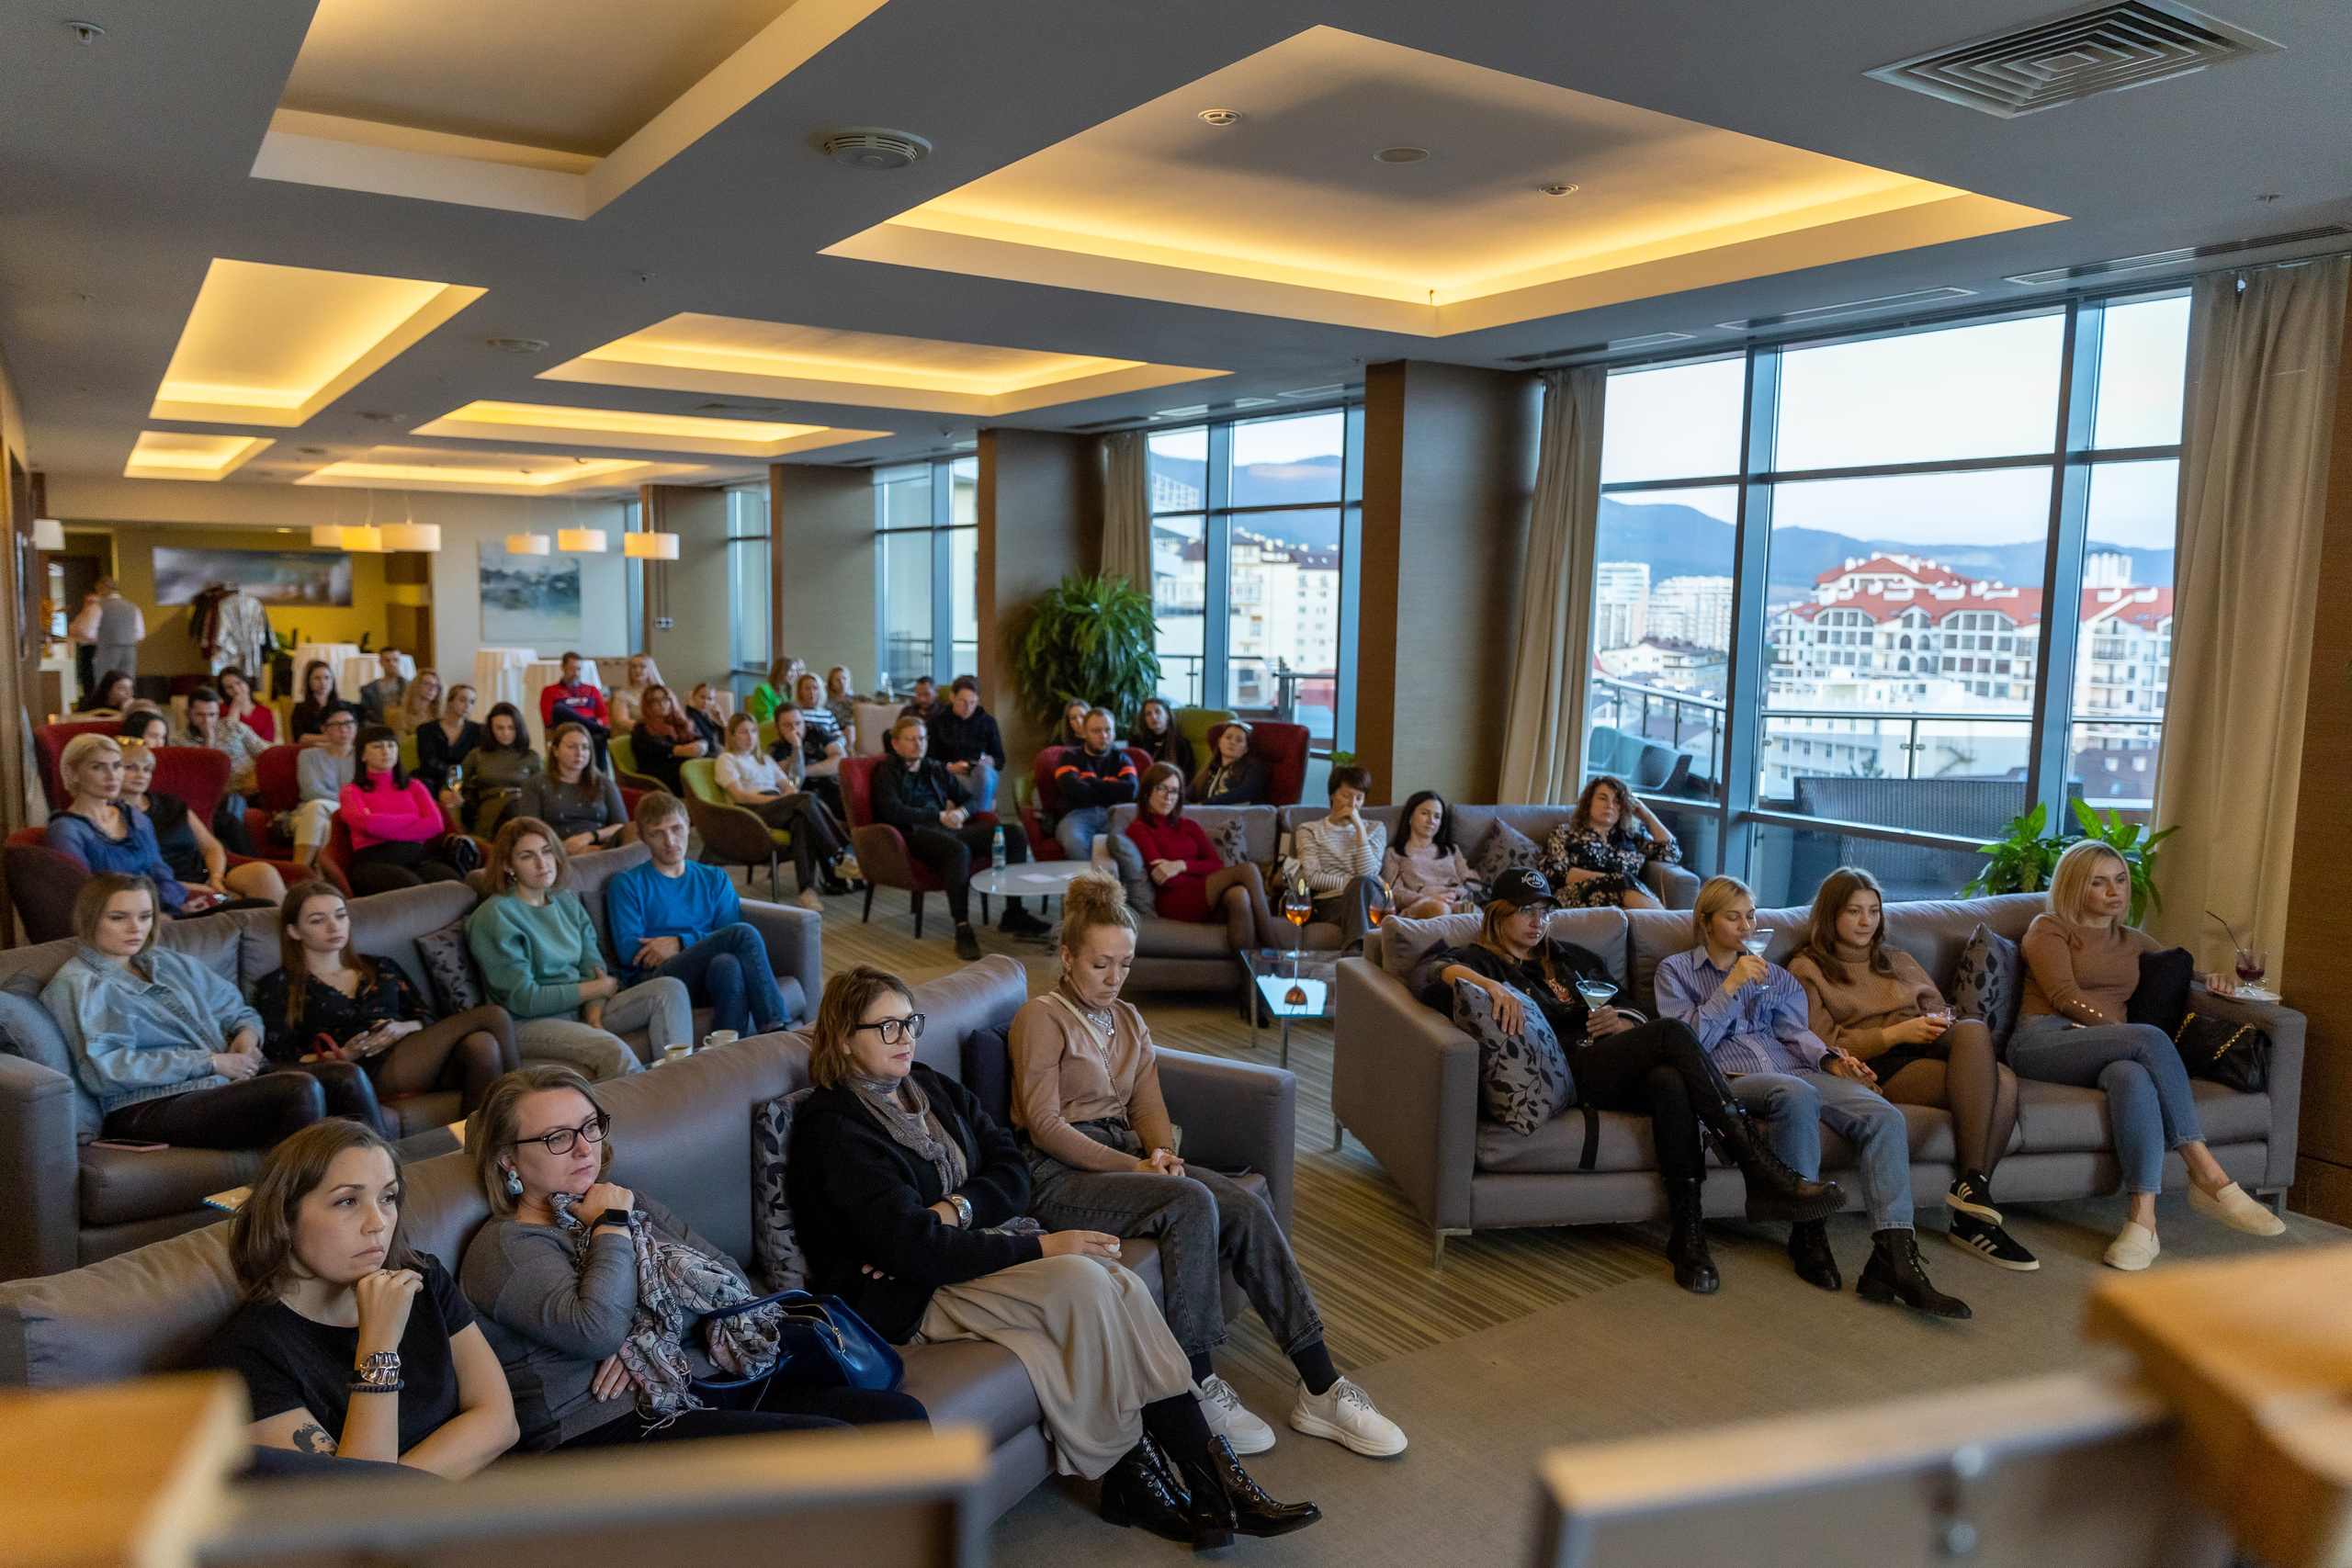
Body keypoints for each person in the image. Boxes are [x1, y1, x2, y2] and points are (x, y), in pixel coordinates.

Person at [789, 965, 1320, 1547]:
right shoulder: (833, 1129)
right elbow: (914, 1251)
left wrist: (954, 1209)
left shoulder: (929, 1088)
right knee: (1085, 1282)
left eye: (910, 1022)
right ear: (844, 1039)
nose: (906, 1039)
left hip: (959, 1259)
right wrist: (1036, 1243)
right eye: (886, 1028)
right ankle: (1180, 1481)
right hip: (905, 1297)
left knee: (1119, 1285)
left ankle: (1209, 1482)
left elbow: (1011, 1171)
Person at [1017, 874, 1407, 1457]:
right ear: (1068, 956)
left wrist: (1158, 1153)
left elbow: (1148, 1104)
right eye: (1101, 965)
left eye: (1124, 964)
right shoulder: (1040, 1019)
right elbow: (1045, 1125)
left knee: (1246, 1204)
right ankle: (1195, 1381)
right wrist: (1138, 1169)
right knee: (1190, 1201)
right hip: (1059, 1174)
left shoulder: (1128, 1019)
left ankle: (1322, 1386)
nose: (1114, 978)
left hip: (1126, 1160)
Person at [1419, 867, 1843, 1293]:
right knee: (1675, 1032)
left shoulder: (1573, 958)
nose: (1537, 921)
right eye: (1525, 911)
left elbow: (1636, 1012)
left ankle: (1687, 1234)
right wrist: (1491, 984)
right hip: (1568, 1072)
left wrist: (1621, 1021)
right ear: (1498, 915)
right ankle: (1755, 1164)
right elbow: (1429, 971)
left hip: (1611, 1063)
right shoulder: (1482, 960)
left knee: (1668, 1081)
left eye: (1545, 911)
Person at [461, 1065, 928, 1451]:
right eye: (557, 1138)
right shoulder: (508, 1247)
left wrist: (648, 1337)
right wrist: (611, 1227)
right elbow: (598, 1330)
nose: (586, 1148)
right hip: (601, 1430)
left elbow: (727, 1281)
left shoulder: (627, 1200)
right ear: (507, 1159)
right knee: (833, 1446)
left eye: (589, 1127)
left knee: (901, 1418)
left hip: (696, 1383)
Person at [1656, 875, 1970, 1317]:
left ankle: (1893, 1256)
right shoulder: (1675, 972)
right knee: (1796, 1092)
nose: (1747, 927)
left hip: (1796, 1070)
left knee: (1885, 1116)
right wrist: (1728, 988)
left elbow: (1794, 1033)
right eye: (1733, 917)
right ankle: (1808, 1231)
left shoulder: (1776, 976)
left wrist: (1831, 1060)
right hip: (1728, 1076)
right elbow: (1683, 1042)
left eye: (1751, 916)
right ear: (1706, 921)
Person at [2011, 840, 2283, 1269]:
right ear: (2073, 887)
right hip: (2044, 1041)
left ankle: (2143, 1221)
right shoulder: (2049, 927)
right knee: (2148, 1041)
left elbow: (2178, 970)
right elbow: (2063, 995)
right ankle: (2209, 1176)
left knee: (2132, 1077)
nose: (2114, 891)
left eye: (2120, 880)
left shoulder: (2132, 940)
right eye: (2098, 883)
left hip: (2106, 1050)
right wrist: (2128, 1034)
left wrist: (2214, 980)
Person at [212, 1120, 518, 1475]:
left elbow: (499, 1420)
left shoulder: (421, 1277)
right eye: (347, 1201)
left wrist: (394, 1488)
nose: (378, 1222)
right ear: (284, 1217)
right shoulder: (244, 1357)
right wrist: (379, 1346)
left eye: (387, 1198)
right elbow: (355, 1505)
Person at [1788, 867, 2037, 1271]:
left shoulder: (1898, 960)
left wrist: (1935, 1024)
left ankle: (1971, 1188)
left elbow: (1939, 1010)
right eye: (1854, 911)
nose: (1867, 921)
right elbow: (1822, 1043)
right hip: (1875, 1063)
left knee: (1971, 1030)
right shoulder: (1807, 968)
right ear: (1831, 914)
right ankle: (1972, 1210)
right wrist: (1898, 1032)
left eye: (1873, 910)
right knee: (2003, 1082)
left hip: (1928, 1046)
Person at [43, 873, 372, 1145]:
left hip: (217, 1085)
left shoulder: (168, 963)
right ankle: (299, 1208)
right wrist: (211, 1062)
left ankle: (390, 1188)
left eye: (145, 917)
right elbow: (109, 1070)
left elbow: (235, 1008)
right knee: (298, 1089)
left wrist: (247, 1035)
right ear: (90, 919)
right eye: (119, 918)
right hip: (145, 1106)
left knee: (346, 1076)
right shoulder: (79, 984)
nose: (136, 928)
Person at [253, 883, 520, 1118]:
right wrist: (344, 1054)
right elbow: (275, 1060)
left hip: (413, 1055)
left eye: (341, 916)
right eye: (317, 920)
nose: (334, 926)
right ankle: (523, 1111)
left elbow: (427, 1018)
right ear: (294, 931)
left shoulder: (381, 967)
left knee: (482, 1045)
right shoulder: (279, 985)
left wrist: (400, 1028)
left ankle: (478, 1142)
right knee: (494, 1015)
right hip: (358, 1074)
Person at [467, 818, 682, 1079]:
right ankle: (647, 1118)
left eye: (547, 851)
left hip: (579, 1009)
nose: (542, 863)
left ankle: (682, 1091)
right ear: (508, 865)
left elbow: (592, 964)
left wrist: (593, 1017)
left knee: (669, 989)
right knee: (613, 1049)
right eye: (527, 856)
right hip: (527, 1022)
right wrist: (598, 989)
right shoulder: (495, 916)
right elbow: (524, 998)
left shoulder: (564, 899)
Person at [605, 793, 795, 1040]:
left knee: (728, 964)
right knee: (744, 934)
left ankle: (724, 1053)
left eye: (676, 828)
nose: (670, 840)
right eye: (657, 833)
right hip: (657, 980)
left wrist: (678, 942)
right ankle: (777, 1032)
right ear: (643, 837)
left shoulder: (714, 878)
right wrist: (698, 942)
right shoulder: (627, 884)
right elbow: (632, 953)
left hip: (707, 977)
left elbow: (728, 934)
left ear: (688, 825)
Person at [873, 716, 1051, 961]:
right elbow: (892, 811)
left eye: (922, 738)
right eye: (911, 739)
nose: (919, 744)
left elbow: (969, 798)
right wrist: (938, 814)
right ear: (895, 744)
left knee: (1013, 834)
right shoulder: (885, 772)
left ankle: (1014, 912)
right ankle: (963, 927)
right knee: (958, 850)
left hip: (945, 828)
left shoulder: (934, 768)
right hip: (911, 835)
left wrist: (961, 812)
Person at [49, 734, 231, 918]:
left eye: (117, 765)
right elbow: (84, 895)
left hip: (165, 912)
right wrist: (152, 917)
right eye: (98, 767)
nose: (112, 775)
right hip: (120, 924)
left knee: (249, 911)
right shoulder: (66, 829)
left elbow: (160, 871)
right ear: (72, 773)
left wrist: (176, 906)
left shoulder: (133, 816)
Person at [1125, 765, 1284, 950]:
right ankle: (1276, 950)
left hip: (1204, 894)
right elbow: (1165, 880)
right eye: (1161, 789)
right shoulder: (1139, 828)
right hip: (1174, 901)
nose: (1168, 797)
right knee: (1248, 869)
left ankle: (1249, 976)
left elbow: (1217, 865)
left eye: (1174, 791)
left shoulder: (1189, 826)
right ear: (1147, 791)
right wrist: (1199, 873)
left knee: (1239, 895)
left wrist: (1181, 865)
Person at [118, 739, 284, 908]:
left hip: (207, 874)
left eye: (147, 769)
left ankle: (287, 933)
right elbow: (133, 872)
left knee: (264, 873)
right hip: (169, 887)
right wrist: (199, 889)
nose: (141, 774)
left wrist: (216, 877)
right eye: (131, 768)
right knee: (237, 902)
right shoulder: (112, 815)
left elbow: (211, 846)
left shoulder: (172, 804)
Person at [715, 709, 853, 908]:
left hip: (778, 805)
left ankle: (807, 891)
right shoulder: (727, 759)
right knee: (807, 799)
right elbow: (738, 795)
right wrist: (777, 800)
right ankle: (841, 853)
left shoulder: (765, 760)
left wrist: (787, 794)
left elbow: (787, 785)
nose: (750, 737)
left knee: (801, 820)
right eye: (744, 732)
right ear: (732, 736)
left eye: (753, 731)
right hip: (751, 811)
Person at [339, 725, 465, 894]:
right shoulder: (351, 790)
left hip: (417, 858)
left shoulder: (414, 786)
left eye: (391, 745)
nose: (386, 751)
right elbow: (367, 824)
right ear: (362, 755)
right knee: (412, 887)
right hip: (373, 862)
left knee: (454, 882)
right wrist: (411, 819)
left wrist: (383, 828)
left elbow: (435, 825)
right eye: (377, 746)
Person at [1540, 774, 1678, 912]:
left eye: (1617, 801)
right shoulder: (1566, 833)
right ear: (1589, 802)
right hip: (1575, 898)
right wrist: (1613, 881)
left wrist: (1648, 815)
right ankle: (1661, 917)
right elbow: (1559, 873)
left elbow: (1671, 852)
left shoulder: (1631, 836)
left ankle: (1633, 914)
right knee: (1624, 884)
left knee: (1627, 906)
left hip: (1624, 904)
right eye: (1602, 798)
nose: (1609, 805)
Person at [1291, 765, 1383, 953]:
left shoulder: (1375, 828)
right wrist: (1352, 883)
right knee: (1362, 887)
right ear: (1332, 795)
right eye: (1346, 796)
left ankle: (1354, 955)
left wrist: (1359, 830)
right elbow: (1313, 878)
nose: (1353, 804)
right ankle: (1359, 959)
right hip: (1330, 902)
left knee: (1364, 885)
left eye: (1359, 798)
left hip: (1368, 898)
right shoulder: (1308, 830)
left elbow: (1369, 874)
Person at [519, 723, 630, 856]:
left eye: (585, 747)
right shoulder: (536, 784)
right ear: (556, 751)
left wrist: (589, 837)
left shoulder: (604, 783)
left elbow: (622, 826)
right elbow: (530, 828)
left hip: (601, 847)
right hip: (556, 849)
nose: (579, 753)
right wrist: (564, 847)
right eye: (571, 747)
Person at [1053, 707, 1140, 861]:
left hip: (1115, 814)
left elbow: (1130, 790)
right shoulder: (1069, 757)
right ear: (1084, 733)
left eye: (1108, 730)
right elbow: (1072, 789)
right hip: (1077, 815)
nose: (1104, 736)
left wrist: (1091, 781)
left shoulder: (1122, 759)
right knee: (1075, 844)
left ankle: (1114, 884)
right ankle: (1092, 883)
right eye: (1096, 731)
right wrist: (1111, 789)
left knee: (1129, 843)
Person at [174, 683, 271, 811]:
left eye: (212, 715)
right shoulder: (179, 741)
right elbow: (204, 776)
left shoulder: (232, 726)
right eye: (200, 715)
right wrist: (209, 739)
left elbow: (266, 751)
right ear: (188, 714)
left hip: (255, 788)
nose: (207, 721)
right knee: (234, 804)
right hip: (223, 798)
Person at [1382, 791, 1475, 919]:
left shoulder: (1452, 850)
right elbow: (1394, 892)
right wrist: (1428, 897)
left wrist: (1454, 894)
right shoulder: (1394, 853)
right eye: (1425, 813)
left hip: (1455, 902)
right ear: (1410, 817)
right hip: (1421, 905)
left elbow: (1470, 882)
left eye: (1437, 817)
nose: (1431, 821)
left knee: (1472, 910)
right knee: (1441, 909)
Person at [288, 708, 359, 869]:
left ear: (356, 726)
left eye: (349, 723)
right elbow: (310, 792)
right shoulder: (308, 755)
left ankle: (299, 873)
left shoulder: (364, 756)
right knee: (318, 810)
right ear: (324, 729)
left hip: (350, 813)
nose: (344, 729)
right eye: (337, 725)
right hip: (308, 812)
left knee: (325, 819)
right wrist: (347, 800)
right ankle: (307, 873)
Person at [928, 675, 1005, 813]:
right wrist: (950, 767)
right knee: (963, 782)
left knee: (982, 774)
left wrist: (990, 761)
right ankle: (979, 816)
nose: (968, 707)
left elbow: (1000, 760)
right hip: (951, 772)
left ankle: (976, 816)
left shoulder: (987, 722)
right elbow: (929, 760)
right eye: (962, 701)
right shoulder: (937, 722)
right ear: (952, 697)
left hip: (981, 772)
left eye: (973, 702)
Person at [463, 702, 539, 838]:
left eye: (511, 728)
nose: (506, 733)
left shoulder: (531, 756)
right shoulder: (477, 755)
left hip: (522, 809)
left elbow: (542, 790)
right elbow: (454, 781)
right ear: (490, 728)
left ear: (519, 728)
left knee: (518, 810)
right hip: (490, 809)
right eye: (500, 728)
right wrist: (449, 792)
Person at [785, 672, 849, 823]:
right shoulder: (796, 714)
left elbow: (839, 737)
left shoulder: (826, 714)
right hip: (804, 755)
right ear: (799, 691)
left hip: (828, 752)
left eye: (815, 688)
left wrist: (837, 745)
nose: (812, 692)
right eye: (807, 688)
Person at [625, 684, 705, 795]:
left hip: (680, 770)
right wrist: (684, 750)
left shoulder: (680, 723)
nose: (662, 703)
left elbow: (699, 739)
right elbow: (659, 749)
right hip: (656, 777)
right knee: (689, 767)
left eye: (665, 698)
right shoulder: (641, 729)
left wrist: (702, 746)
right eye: (655, 701)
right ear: (648, 705)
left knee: (713, 758)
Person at [537, 652, 610, 773]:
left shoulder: (592, 690)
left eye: (578, 669)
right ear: (563, 667)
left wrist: (599, 721)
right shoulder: (550, 691)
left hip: (590, 733)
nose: (576, 673)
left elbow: (605, 715)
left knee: (599, 737)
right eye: (572, 669)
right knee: (559, 709)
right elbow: (548, 719)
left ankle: (597, 778)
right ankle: (593, 726)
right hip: (567, 729)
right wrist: (588, 722)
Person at [414, 682, 480, 798]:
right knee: (425, 783)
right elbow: (428, 764)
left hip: (465, 780)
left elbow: (476, 764)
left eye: (472, 702)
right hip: (433, 779)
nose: (467, 705)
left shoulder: (478, 730)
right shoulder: (426, 729)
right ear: (450, 700)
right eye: (462, 700)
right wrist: (453, 777)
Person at [72, 579, 145, 681]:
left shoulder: (98, 608)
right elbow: (140, 634)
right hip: (130, 650)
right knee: (127, 683)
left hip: (107, 651)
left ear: (104, 590)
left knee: (106, 684)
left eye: (99, 591)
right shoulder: (133, 608)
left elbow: (89, 633)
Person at [1193, 722, 1268, 807]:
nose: (1232, 742)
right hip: (1207, 815)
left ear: (1246, 749)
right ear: (1219, 742)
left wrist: (1205, 804)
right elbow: (1189, 792)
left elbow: (1245, 792)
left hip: (1239, 817)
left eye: (1239, 740)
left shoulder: (1253, 768)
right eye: (1228, 737)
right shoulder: (1212, 768)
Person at [291, 660, 357, 744]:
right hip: (312, 751)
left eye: (327, 677)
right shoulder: (301, 708)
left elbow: (355, 732)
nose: (323, 682)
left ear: (332, 680)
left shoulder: (344, 706)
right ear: (308, 681)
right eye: (317, 678)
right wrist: (334, 737)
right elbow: (300, 738)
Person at [1129, 697, 1193, 782]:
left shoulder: (1181, 744)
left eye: (1157, 712)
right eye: (1148, 714)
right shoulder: (1137, 741)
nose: (1154, 717)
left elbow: (1188, 776)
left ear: (1168, 715)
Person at [218, 666, 276, 742]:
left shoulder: (265, 711)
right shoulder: (221, 710)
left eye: (239, 683)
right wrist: (235, 708)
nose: (236, 689)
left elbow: (268, 741)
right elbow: (228, 739)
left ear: (247, 683)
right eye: (229, 687)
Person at [605, 654, 662, 730]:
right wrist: (649, 728)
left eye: (642, 666)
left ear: (650, 669)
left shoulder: (661, 692)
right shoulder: (622, 694)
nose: (637, 670)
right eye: (633, 667)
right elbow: (622, 721)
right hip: (637, 732)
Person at [356, 649, 408, 728]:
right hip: (379, 728)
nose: (392, 664)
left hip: (402, 727)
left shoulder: (408, 685)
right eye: (387, 660)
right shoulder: (369, 689)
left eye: (395, 660)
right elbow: (365, 715)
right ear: (381, 662)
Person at [388, 668, 443, 739]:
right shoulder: (400, 715)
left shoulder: (441, 715)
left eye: (435, 685)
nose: (431, 688)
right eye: (427, 684)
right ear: (417, 685)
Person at [745, 655, 800, 726]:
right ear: (781, 670)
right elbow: (764, 718)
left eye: (795, 671)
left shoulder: (787, 692)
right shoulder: (763, 690)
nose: (795, 674)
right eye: (791, 670)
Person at [683, 682, 728, 755]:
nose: (706, 702)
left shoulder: (706, 718)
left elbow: (730, 740)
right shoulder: (688, 717)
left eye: (710, 699)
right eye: (702, 697)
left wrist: (721, 719)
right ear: (694, 697)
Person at [823, 665, 861, 739]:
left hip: (852, 732)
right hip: (833, 731)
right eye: (837, 680)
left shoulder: (856, 699)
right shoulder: (826, 701)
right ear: (831, 684)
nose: (841, 682)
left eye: (844, 678)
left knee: (850, 730)